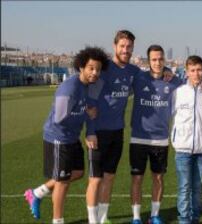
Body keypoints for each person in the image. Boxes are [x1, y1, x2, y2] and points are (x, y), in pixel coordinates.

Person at [24, 46, 109, 224]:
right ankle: (58, 221)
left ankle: (37, 193)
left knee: (77, 172)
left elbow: (87, 109)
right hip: (58, 137)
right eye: (91, 68)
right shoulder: (69, 88)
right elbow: (59, 118)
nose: (95, 73)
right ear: (81, 67)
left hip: (72, 137)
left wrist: (88, 120)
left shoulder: (89, 86)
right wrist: (87, 113)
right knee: (62, 182)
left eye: (98, 69)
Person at [86, 30, 140, 224]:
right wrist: (90, 132)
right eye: (122, 46)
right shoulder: (104, 69)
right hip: (98, 133)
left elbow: (151, 76)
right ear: (115, 46)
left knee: (109, 177)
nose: (125, 50)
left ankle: (103, 218)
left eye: (129, 47)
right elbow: (90, 103)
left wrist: (167, 71)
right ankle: (93, 221)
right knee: (96, 179)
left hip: (118, 132)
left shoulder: (133, 71)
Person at [129, 45, 182, 224]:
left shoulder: (173, 81)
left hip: (161, 139)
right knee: (137, 178)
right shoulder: (139, 78)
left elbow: (191, 84)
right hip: (138, 137)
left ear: (164, 60)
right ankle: (136, 217)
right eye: (154, 59)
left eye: (160, 59)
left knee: (158, 178)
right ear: (148, 61)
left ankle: (155, 215)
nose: (157, 62)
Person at [171, 55, 202, 224]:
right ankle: (184, 220)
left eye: (199, 70)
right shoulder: (178, 92)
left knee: (198, 188)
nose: (196, 73)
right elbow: (166, 113)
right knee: (184, 188)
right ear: (187, 72)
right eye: (192, 70)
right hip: (182, 149)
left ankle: (195, 218)